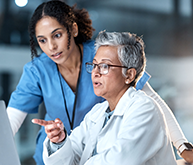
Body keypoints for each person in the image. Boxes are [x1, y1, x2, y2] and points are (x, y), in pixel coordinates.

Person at [6, 0, 193, 164]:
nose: (51, 46)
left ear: (74, 30)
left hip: (99, 152)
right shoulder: (38, 71)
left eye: (57, 35)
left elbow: (154, 102)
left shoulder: (102, 55)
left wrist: (183, 147)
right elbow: (9, 123)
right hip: (61, 151)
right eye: (42, 40)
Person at [32, 31, 177, 165]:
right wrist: (59, 142)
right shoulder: (98, 112)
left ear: (129, 75)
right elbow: (72, 156)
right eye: (94, 65)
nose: (95, 72)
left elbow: (119, 160)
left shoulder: (144, 109)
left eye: (105, 66)